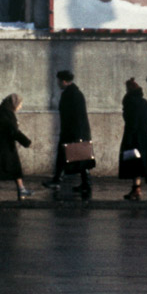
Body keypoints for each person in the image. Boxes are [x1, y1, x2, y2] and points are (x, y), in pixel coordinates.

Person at [46, 70, 92, 199]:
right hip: (74, 131)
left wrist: (75, 134)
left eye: (59, 80)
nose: (57, 83)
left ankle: (58, 180)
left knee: (76, 157)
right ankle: (85, 183)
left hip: (74, 132)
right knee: (77, 157)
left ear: (64, 81)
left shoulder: (72, 94)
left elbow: (75, 116)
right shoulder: (73, 93)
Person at [118, 78, 147, 200]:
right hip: (145, 137)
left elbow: (131, 122)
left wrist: (129, 139)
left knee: (134, 163)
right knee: (141, 163)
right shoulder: (144, 102)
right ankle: (146, 185)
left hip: (135, 137)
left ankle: (138, 189)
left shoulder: (130, 102)